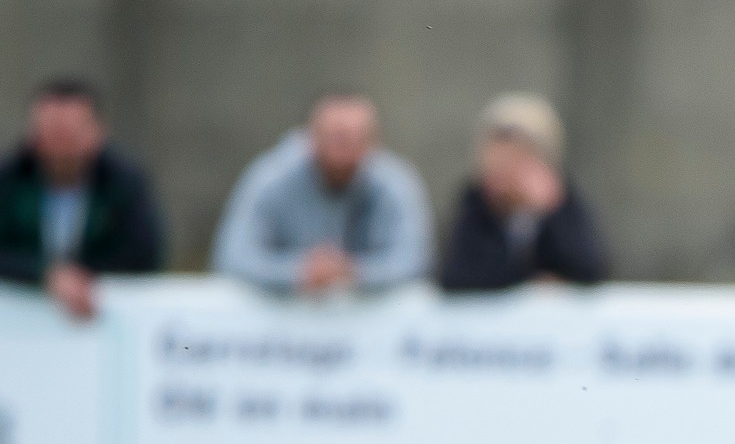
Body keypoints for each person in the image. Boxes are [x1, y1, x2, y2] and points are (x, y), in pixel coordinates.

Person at [211, 92, 430, 295]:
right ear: (311, 136)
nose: (344, 151)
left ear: (374, 141)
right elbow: (232, 257)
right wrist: (298, 272)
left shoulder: (395, 183)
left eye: (356, 139)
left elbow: (415, 260)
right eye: (337, 137)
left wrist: (353, 273)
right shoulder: (271, 178)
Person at [0, 78, 163, 319]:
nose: (59, 146)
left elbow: (145, 253)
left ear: (97, 131)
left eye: (68, 134)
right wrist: (44, 274)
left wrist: (84, 279)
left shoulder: (125, 182)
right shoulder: (10, 179)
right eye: (50, 132)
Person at [440, 93, 607, 291]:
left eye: (516, 158)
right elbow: (458, 275)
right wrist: (529, 278)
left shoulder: (562, 199)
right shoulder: (476, 200)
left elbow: (588, 269)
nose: (504, 169)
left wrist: (548, 212)